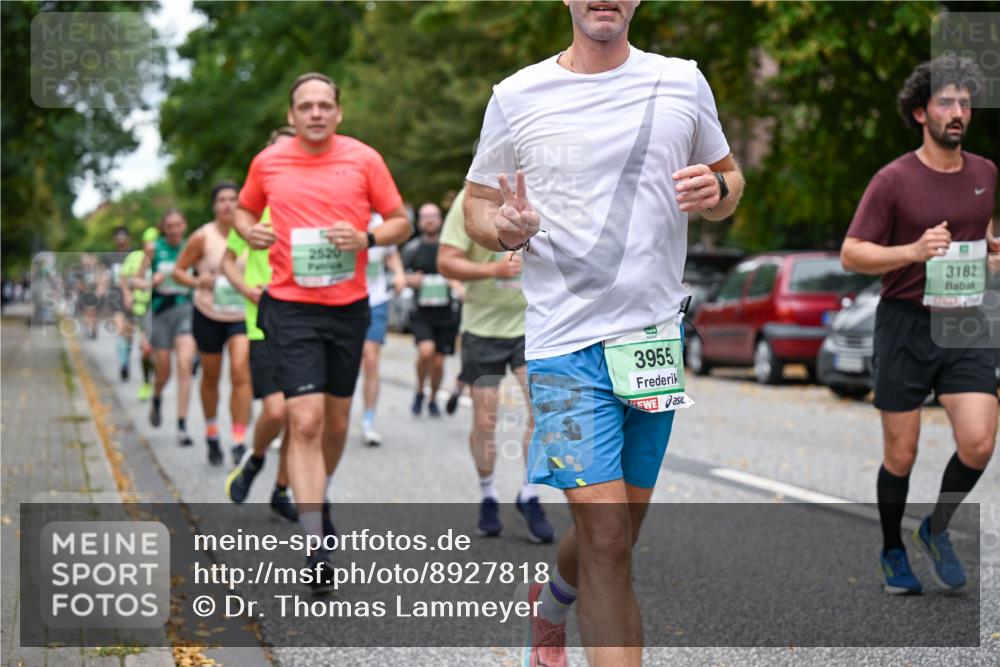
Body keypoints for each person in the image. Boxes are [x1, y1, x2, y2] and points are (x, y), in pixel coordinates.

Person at [463, 2, 744, 663]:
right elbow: (477, 203)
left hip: (652, 345)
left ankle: (552, 602)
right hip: (562, 348)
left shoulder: (681, 80)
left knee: (621, 531)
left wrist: (718, 190)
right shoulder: (517, 95)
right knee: (609, 535)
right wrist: (503, 226)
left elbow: (730, 177)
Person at [234, 72, 411, 590]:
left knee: (335, 423)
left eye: (324, 105)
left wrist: (366, 238)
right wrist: (251, 231)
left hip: (348, 308)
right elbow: (244, 211)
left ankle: (319, 493)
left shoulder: (364, 159)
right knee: (305, 420)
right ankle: (315, 543)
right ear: (291, 115)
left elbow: (399, 220)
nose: (315, 113)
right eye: (305, 106)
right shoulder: (268, 161)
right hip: (290, 308)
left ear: (338, 112)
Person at [841, 55, 998, 595]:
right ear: (919, 113)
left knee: (979, 442)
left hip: (965, 322)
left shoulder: (985, 173)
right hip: (905, 324)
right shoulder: (893, 180)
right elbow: (851, 253)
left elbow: (978, 235)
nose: (958, 113)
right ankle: (892, 548)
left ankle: (935, 528)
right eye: (945, 103)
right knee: (901, 454)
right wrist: (911, 250)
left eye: (965, 103)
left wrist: (991, 253)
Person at [439, 187, 554, 542]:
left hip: (533, 325)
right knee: (485, 419)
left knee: (543, 412)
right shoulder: (470, 200)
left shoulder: (546, 191)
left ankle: (529, 494)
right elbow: (446, 262)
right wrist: (493, 269)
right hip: (483, 328)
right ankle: (488, 494)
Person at [223, 126, 297, 522]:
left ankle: (281, 489)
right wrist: (246, 289)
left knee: (301, 415)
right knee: (277, 411)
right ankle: (254, 459)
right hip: (262, 323)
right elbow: (227, 262)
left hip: (305, 321)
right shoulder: (254, 209)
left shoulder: (312, 203)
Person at [173, 183, 252, 466]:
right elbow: (178, 271)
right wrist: (197, 281)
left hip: (241, 314)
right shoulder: (202, 236)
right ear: (214, 206)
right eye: (222, 200)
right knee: (211, 376)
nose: (228, 204)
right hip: (208, 313)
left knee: (241, 371)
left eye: (233, 199)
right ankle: (212, 433)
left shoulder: (250, 233)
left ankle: (239, 440)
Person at [142, 209, 198, 448]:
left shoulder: (192, 247)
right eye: (169, 226)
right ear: (163, 228)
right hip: (161, 312)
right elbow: (136, 281)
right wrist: (150, 280)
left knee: (185, 365)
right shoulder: (154, 249)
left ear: (184, 225)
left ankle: (182, 426)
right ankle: (157, 397)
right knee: (163, 372)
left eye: (178, 225)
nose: (174, 230)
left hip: (185, 308)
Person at [403, 202, 463, 417]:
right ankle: (420, 389)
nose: (429, 220)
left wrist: (455, 282)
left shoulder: (450, 249)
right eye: (425, 216)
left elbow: (462, 273)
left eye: (433, 216)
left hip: (446, 312)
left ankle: (432, 398)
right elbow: (400, 277)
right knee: (426, 351)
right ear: (419, 222)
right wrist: (411, 281)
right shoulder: (411, 249)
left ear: (440, 220)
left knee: (438, 363)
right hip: (421, 312)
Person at [360, 212, 406, 446]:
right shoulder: (339, 211)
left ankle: (368, 421)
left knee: (371, 358)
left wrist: (399, 273)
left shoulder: (380, 222)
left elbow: (391, 253)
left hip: (375, 299)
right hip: (342, 301)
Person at [119, 227, 159, 401]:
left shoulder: (163, 257)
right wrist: (127, 294)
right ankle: (146, 381)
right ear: (143, 243)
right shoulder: (135, 257)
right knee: (145, 348)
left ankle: (157, 377)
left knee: (158, 352)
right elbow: (124, 278)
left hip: (162, 309)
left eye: (155, 243)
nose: (152, 246)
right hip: (142, 309)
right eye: (149, 243)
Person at [108, 226, 134, 380]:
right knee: (119, 329)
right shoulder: (110, 257)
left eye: (123, 236)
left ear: (128, 238)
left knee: (129, 333)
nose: (121, 239)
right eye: (118, 237)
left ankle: (127, 359)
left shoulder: (135, 256)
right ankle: (123, 363)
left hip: (133, 297)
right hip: (116, 297)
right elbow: (105, 275)